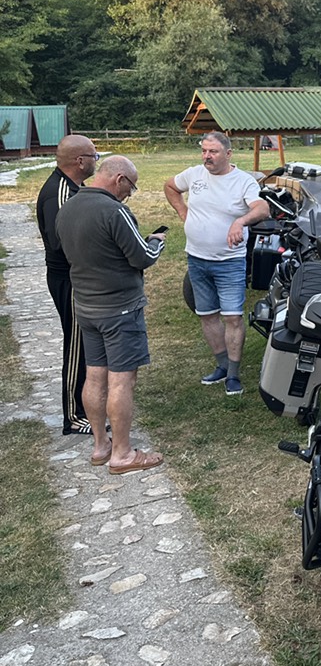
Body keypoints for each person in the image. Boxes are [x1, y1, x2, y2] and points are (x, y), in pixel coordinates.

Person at [55, 155, 166, 474]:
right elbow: (142, 257)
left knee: (95, 375)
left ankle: (100, 445)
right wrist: (156, 242)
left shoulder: (68, 207)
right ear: (119, 179)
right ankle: (123, 454)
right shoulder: (114, 211)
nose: (130, 193)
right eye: (131, 187)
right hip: (120, 309)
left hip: (86, 306)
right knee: (122, 380)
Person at [163, 132, 269, 397]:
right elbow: (170, 186)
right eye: (204, 151)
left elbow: (262, 209)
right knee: (207, 314)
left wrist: (240, 222)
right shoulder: (194, 174)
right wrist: (183, 211)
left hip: (229, 262)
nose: (207, 156)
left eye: (213, 152)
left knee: (232, 317)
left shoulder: (243, 181)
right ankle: (221, 365)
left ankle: (233, 373)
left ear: (228, 154)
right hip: (197, 259)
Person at [36, 134, 100, 435]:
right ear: (80, 161)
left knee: (85, 343)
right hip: (69, 278)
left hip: (78, 276)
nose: (96, 161)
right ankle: (74, 416)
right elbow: (60, 241)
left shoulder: (74, 188)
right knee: (76, 344)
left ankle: (88, 404)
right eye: (94, 156)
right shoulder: (59, 193)